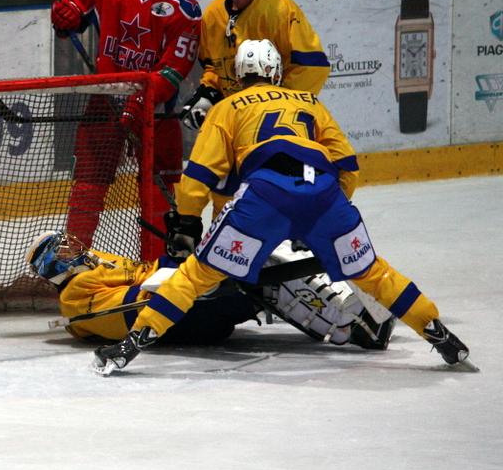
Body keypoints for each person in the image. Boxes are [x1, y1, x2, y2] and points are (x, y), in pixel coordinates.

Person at [92, 38, 470, 375]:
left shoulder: (228, 106)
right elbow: (348, 167)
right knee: (374, 273)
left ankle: (130, 346)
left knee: (195, 276)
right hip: (323, 194)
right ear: (276, 72)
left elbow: (200, 174)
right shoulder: (310, 102)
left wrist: (188, 222)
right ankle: (441, 336)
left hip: (265, 195)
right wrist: (319, 220)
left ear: (239, 74)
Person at [50, 0, 202, 246]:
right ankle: (74, 250)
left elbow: (174, 70)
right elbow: (76, 9)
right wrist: (66, 17)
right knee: (89, 181)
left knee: (159, 188)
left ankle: (156, 259)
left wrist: (143, 99)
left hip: (156, 113)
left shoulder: (184, 9)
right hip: (104, 104)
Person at [27, 231, 395, 349]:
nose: (74, 249)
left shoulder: (95, 267)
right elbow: (140, 300)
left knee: (260, 274)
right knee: (257, 266)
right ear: (54, 267)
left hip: (180, 314)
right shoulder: (75, 297)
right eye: (62, 251)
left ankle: (350, 322)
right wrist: (193, 274)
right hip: (178, 320)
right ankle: (352, 325)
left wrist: (182, 262)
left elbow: (147, 273)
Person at [180, 0, 330, 214]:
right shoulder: (213, 15)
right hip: (233, 119)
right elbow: (213, 66)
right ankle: (225, 237)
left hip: (271, 123)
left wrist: (277, 102)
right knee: (224, 191)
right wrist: (207, 93)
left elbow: (313, 66)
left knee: (274, 187)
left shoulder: (281, 10)